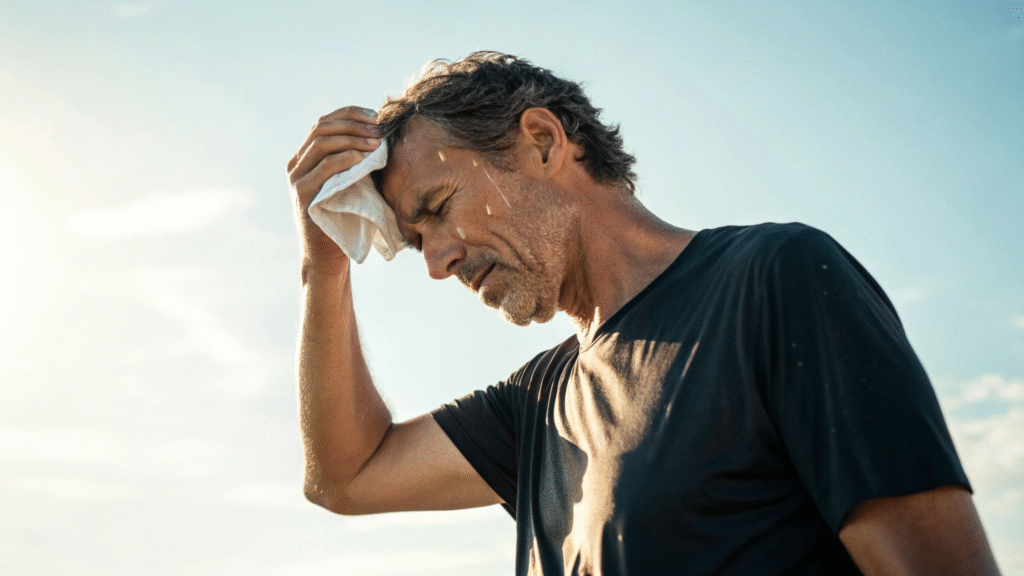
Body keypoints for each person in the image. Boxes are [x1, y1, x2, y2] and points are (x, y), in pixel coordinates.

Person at [285, 52, 1001, 575]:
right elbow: (346, 475)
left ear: (541, 140)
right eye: (415, 246)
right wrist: (325, 266)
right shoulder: (536, 405)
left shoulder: (773, 282)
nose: (437, 262)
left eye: (437, 211)